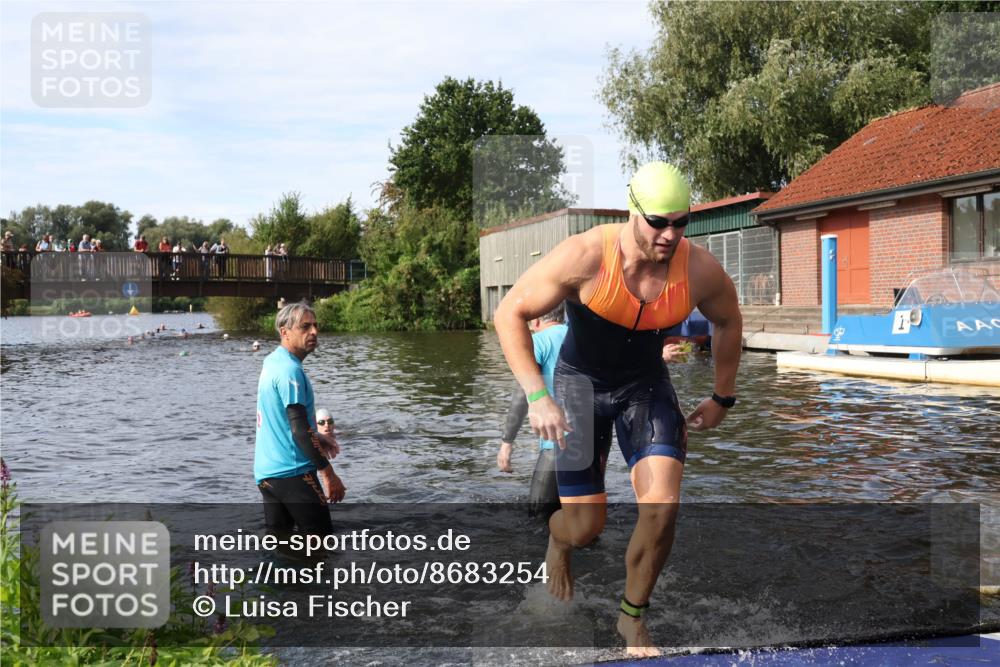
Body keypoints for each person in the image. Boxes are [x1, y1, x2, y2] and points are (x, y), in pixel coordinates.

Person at [494, 161, 742, 658]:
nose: (670, 234)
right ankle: (558, 543)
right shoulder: (586, 255)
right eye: (658, 222)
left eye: (680, 222)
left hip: (644, 386)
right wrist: (538, 397)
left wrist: (721, 395)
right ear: (633, 212)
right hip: (579, 388)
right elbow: (510, 313)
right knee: (586, 528)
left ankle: (632, 619)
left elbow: (729, 321)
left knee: (663, 505)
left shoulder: (698, 268)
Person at [254, 302, 345, 537]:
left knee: (282, 549)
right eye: (305, 326)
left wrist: (317, 436)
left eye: (315, 326)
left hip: (267, 474)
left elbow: (284, 423)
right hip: (294, 474)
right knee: (322, 547)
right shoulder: (289, 371)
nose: (314, 332)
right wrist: (328, 473)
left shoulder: (272, 362)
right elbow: (299, 431)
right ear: (284, 332)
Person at [497, 304, 568, 519]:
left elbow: (523, 393)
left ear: (536, 321)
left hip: (557, 444)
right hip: (592, 443)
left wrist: (507, 443)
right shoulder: (582, 338)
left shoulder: (539, 341)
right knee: (582, 523)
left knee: (537, 520)